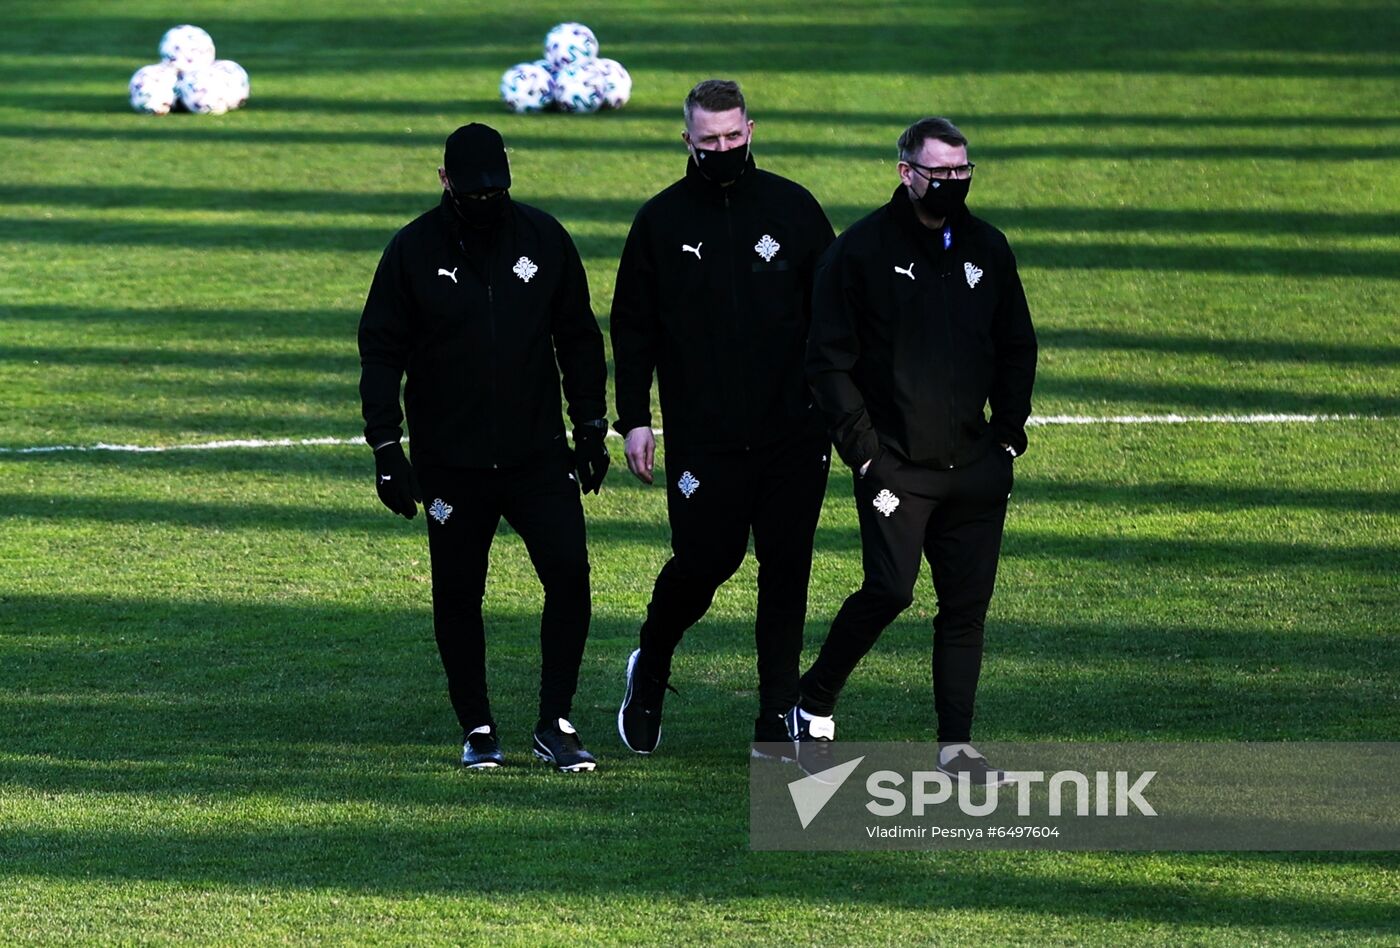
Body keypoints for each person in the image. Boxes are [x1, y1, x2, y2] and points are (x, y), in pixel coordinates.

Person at [790, 116, 1038, 783]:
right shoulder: (859, 252)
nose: (952, 185)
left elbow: (1017, 343)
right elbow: (827, 360)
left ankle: (956, 747)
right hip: (895, 465)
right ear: (906, 172)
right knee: (891, 589)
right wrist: (865, 453)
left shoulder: (987, 247)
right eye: (940, 174)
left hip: (976, 469)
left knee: (965, 612)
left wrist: (1009, 433)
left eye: (962, 173)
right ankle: (812, 701)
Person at [357, 123, 611, 773]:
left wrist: (589, 429)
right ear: (444, 183)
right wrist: (387, 450)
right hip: (451, 466)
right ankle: (477, 727)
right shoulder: (412, 252)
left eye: (497, 188)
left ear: (510, 176)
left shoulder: (545, 240)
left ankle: (556, 720)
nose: (485, 200)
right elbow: (381, 352)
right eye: (472, 192)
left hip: (537, 458)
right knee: (458, 594)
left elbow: (578, 338)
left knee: (570, 576)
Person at [610, 79, 836, 755]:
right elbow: (632, 328)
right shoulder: (661, 222)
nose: (722, 148)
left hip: (794, 431)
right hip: (703, 436)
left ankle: (776, 715)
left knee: (787, 566)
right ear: (687, 140)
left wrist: (842, 408)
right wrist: (635, 419)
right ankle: (650, 664)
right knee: (707, 560)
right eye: (708, 140)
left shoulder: (794, 210)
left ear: (751, 130)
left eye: (732, 137)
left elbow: (837, 315)